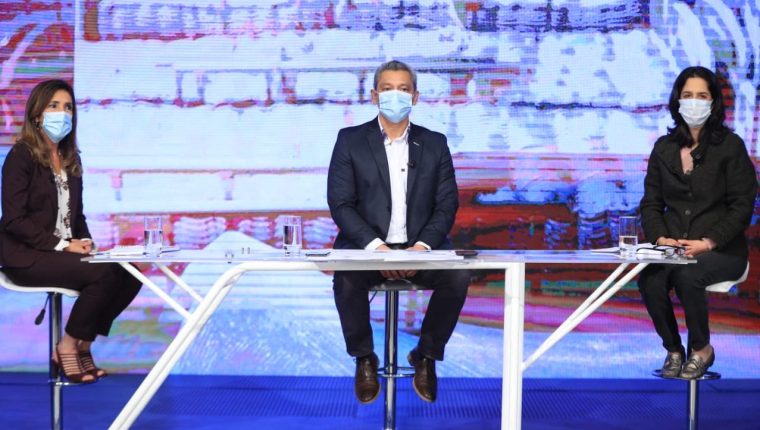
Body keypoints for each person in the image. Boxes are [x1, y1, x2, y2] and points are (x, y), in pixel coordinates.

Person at [327, 60, 470, 404]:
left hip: (420, 249)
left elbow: (446, 205)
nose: (396, 95)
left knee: (457, 277)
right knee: (346, 279)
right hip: (367, 249)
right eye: (388, 88)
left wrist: (419, 249)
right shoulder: (350, 140)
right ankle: (364, 358)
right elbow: (341, 203)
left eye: (403, 89)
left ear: (415, 97)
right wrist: (379, 250)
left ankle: (426, 355)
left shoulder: (435, 143)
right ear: (374, 95)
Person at [0, 80, 142, 383]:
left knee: (129, 273)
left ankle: (83, 344)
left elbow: (76, 216)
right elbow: (14, 220)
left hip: (61, 252)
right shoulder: (21, 156)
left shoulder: (70, 159)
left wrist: (88, 244)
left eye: (67, 107)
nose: (62, 113)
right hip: (26, 256)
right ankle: (65, 346)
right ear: (37, 114)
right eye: (54, 106)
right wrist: (64, 245)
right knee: (103, 275)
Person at [638, 66, 757, 379]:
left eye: (701, 96)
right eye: (688, 95)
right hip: (674, 249)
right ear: (677, 99)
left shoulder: (730, 147)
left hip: (721, 250)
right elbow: (651, 204)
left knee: (688, 276)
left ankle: (702, 349)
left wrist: (708, 242)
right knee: (650, 280)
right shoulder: (663, 149)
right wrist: (661, 238)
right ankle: (674, 350)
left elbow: (742, 207)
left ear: (713, 101)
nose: (694, 102)